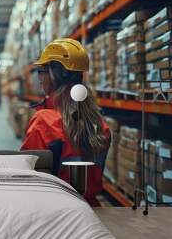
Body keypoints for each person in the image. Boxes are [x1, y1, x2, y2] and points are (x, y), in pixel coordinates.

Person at [21, 38, 110, 206]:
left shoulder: (44, 122)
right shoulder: (99, 123)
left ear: (55, 74)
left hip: (54, 211)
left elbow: (28, 179)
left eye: (42, 70)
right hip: (90, 210)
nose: (39, 77)